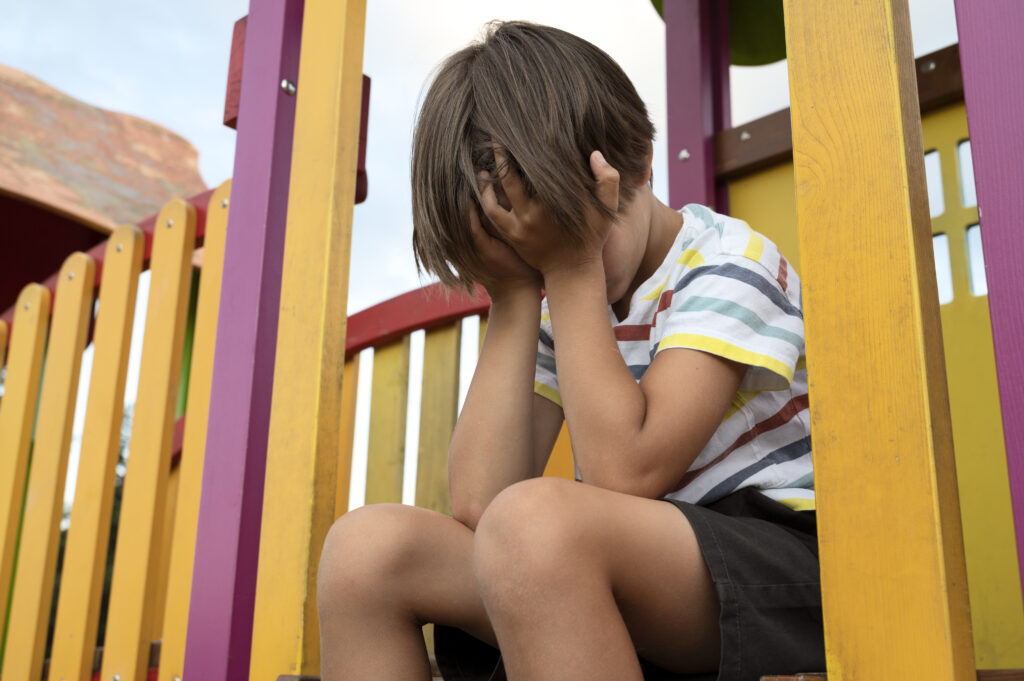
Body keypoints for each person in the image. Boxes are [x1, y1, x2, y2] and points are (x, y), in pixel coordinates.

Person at [317, 20, 824, 681]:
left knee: (536, 525)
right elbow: (478, 500)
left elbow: (628, 473)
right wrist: (515, 296)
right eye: (522, 249)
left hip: (780, 574)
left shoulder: (728, 265)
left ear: (637, 163)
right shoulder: (559, 300)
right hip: (624, 576)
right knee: (367, 550)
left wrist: (571, 267)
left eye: (568, 229)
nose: (552, 261)